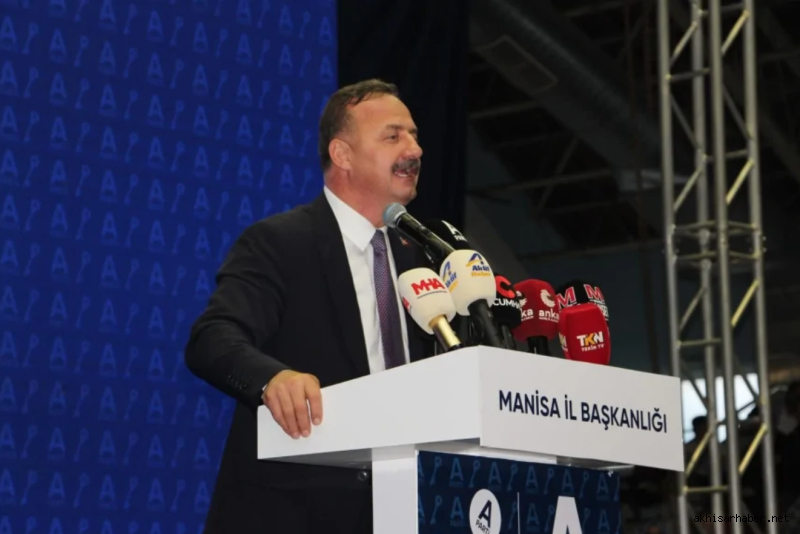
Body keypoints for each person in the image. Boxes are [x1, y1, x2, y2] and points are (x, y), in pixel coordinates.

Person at [184, 79, 438, 533]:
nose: (414, 150)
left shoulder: (422, 259)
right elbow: (213, 338)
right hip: (294, 514)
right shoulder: (281, 242)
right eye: (393, 136)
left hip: (405, 510)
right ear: (342, 155)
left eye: (414, 136)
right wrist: (272, 379)